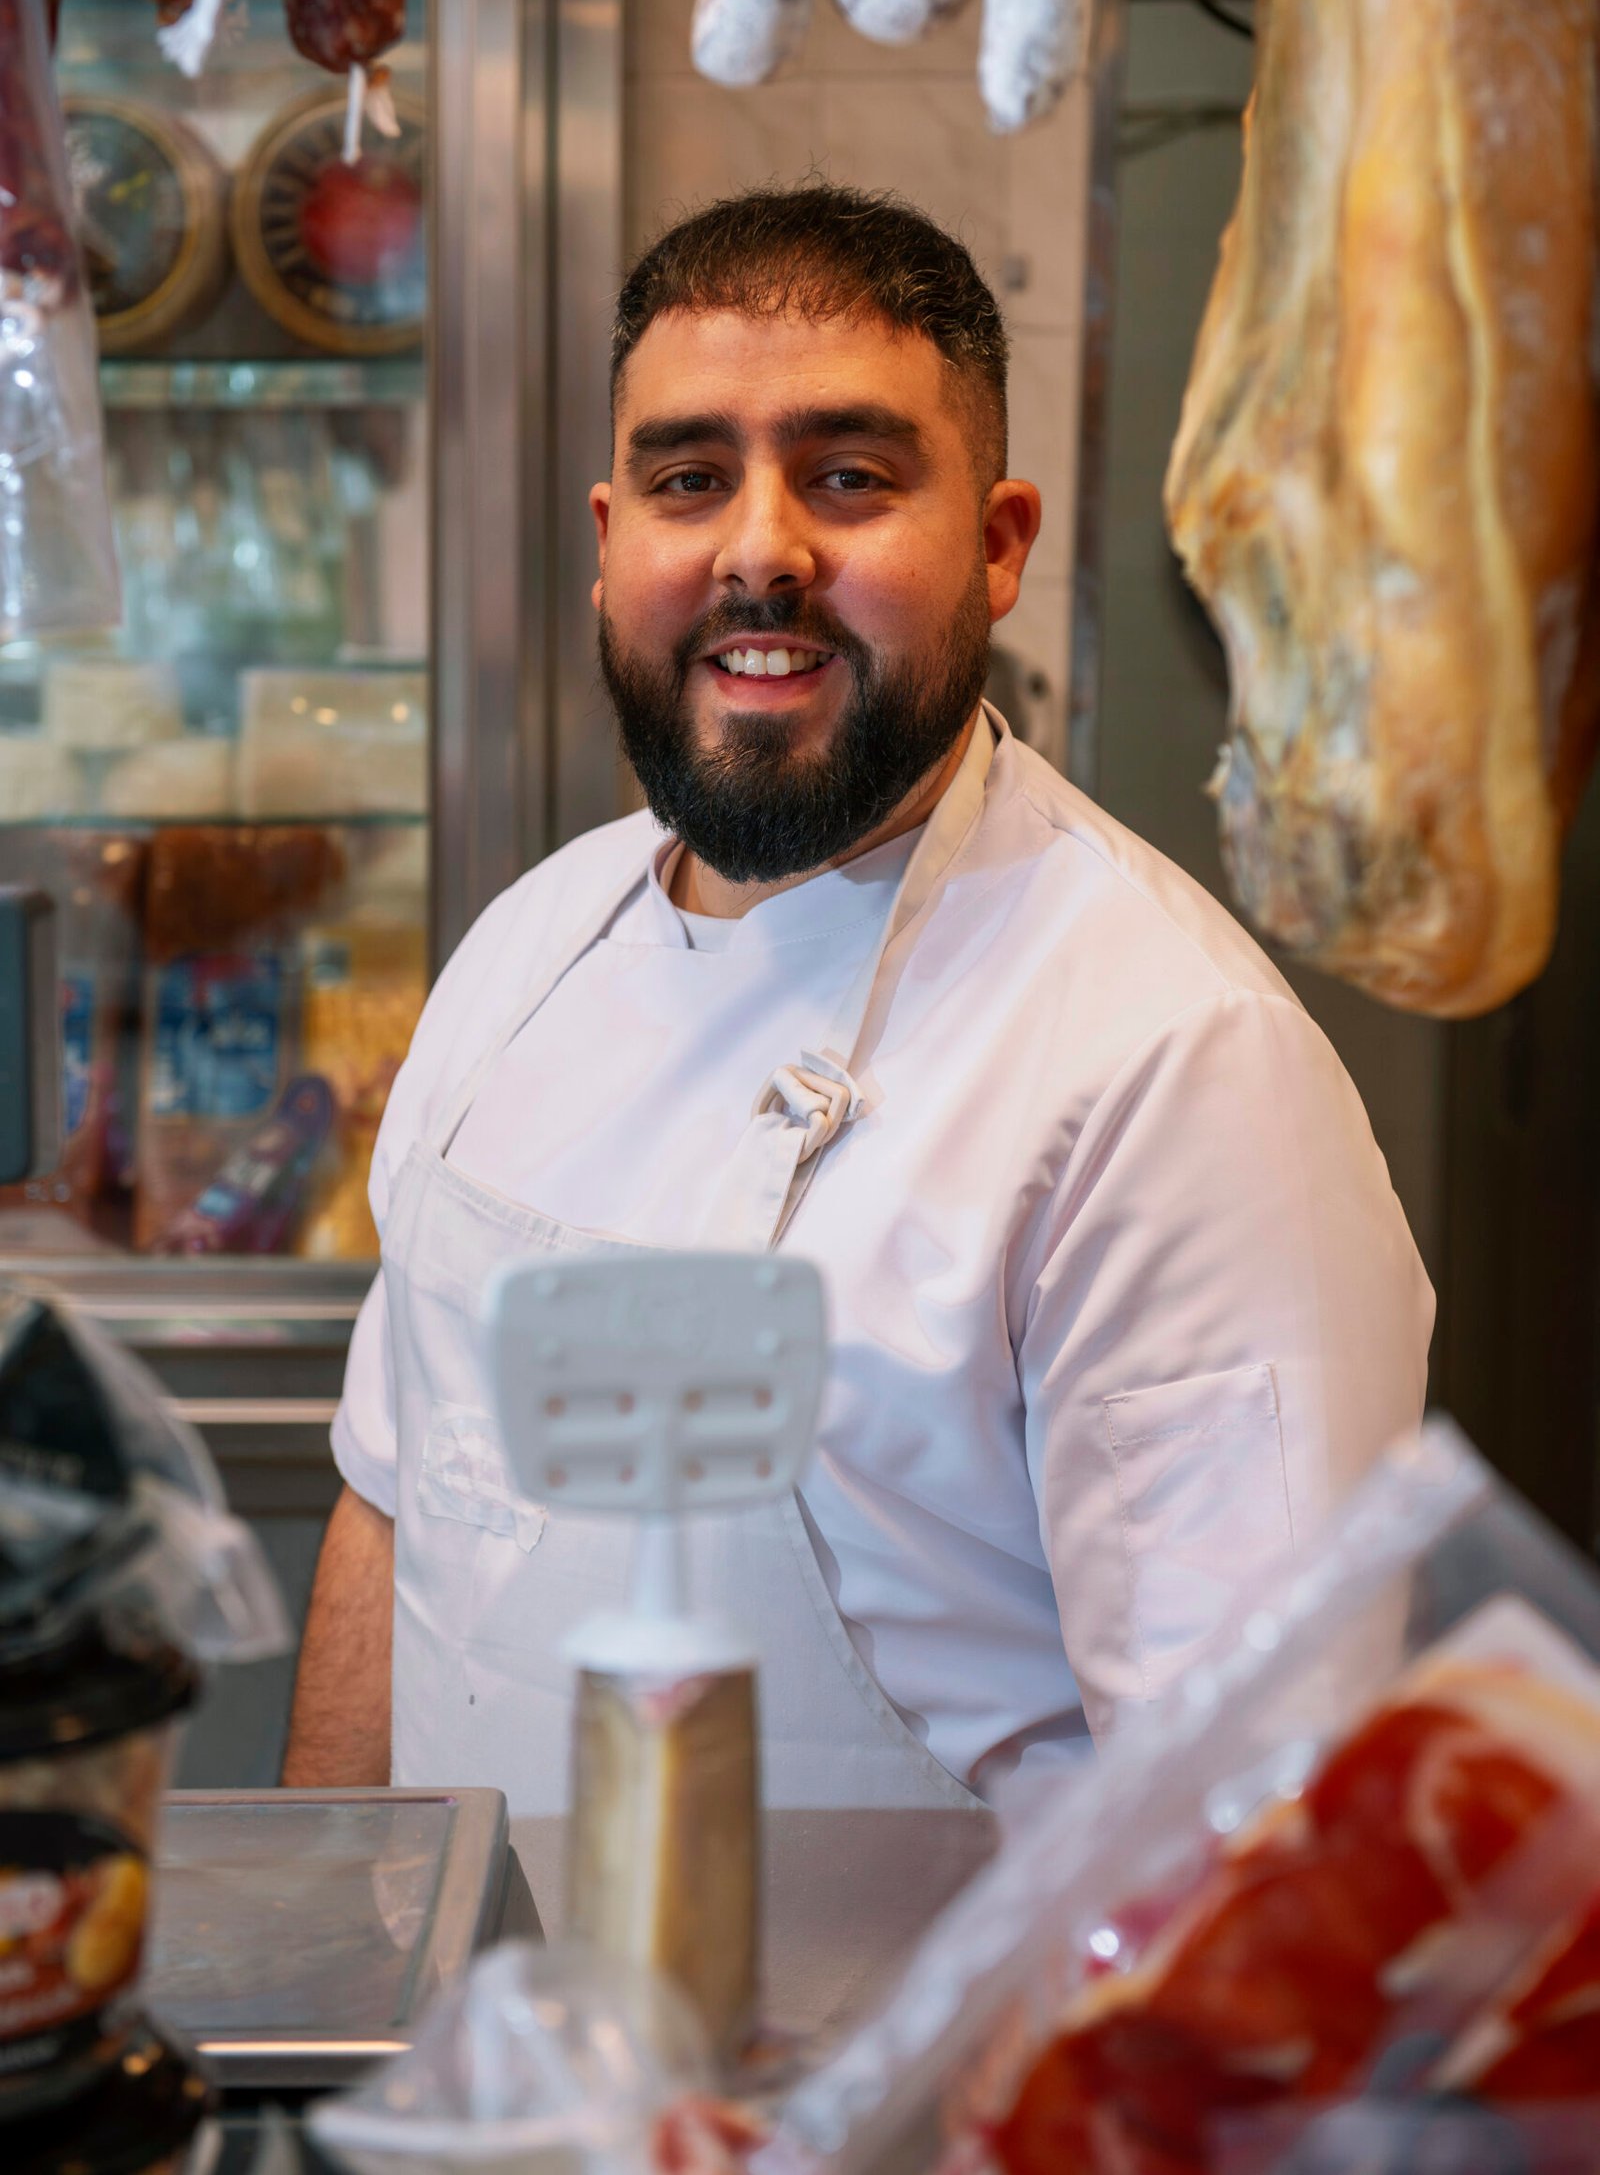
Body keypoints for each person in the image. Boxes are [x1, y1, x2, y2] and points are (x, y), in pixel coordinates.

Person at [283, 183, 1431, 1813]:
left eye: (850, 477)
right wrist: (347, 1979)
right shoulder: (525, 949)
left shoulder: (1177, 1069)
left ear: (999, 542)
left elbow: (1254, 1832)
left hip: (914, 2070)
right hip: (492, 2049)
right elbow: (393, 1506)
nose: (762, 551)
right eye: (691, 480)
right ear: (612, 551)